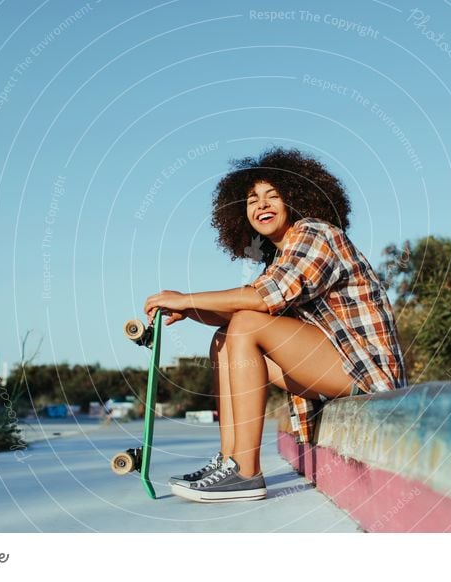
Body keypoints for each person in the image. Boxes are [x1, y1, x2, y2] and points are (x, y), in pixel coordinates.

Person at [143, 147, 407, 503]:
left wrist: (187, 299)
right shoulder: (280, 257)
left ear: (296, 198)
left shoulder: (315, 233)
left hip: (365, 371)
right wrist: (189, 311)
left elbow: (265, 296)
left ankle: (246, 473)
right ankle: (229, 460)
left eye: (273, 196)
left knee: (247, 325)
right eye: (252, 200)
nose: (261, 206)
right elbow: (250, 306)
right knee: (224, 338)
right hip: (334, 366)